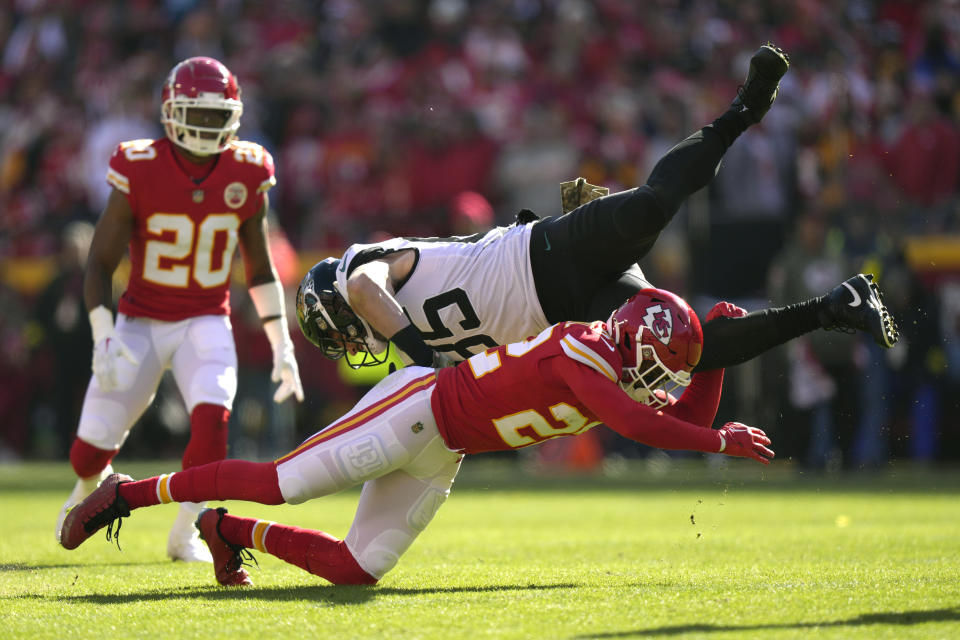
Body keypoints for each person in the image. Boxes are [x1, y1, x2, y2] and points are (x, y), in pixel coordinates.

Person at [60, 289, 774, 587]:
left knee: (357, 570)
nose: (660, 376)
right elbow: (641, 425)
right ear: (630, 336)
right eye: (663, 360)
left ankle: (224, 530)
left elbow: (683, 421)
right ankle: (129, 495)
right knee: (285, 481)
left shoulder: (620, 363)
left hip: (445, 446)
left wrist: (715, 356)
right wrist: (721, 444)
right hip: (418, 407)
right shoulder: (583, 349)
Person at [293, 44, 899, 374]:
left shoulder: (359, 272)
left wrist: (421, 362)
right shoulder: (417, 360)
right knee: (684, 348)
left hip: (544, 253)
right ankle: (833, 307)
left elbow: (371, 291)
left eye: (339, 328)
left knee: (653, 205)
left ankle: (743, 109)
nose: (353, 339)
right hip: (568, 307)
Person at [55, 57, 305, 563]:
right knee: (88, 451)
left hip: (206, 319)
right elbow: (100, 262)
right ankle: (94, 484)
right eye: (198, 113)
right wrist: (103, 333)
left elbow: (259, 268)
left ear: (233, 115)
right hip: (140, 321)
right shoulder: (139, 163)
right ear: (171, 111)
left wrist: (283, 344)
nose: (207, 125)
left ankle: (186, 530)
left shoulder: (247, 168)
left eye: (217, 115)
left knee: (214, 419)